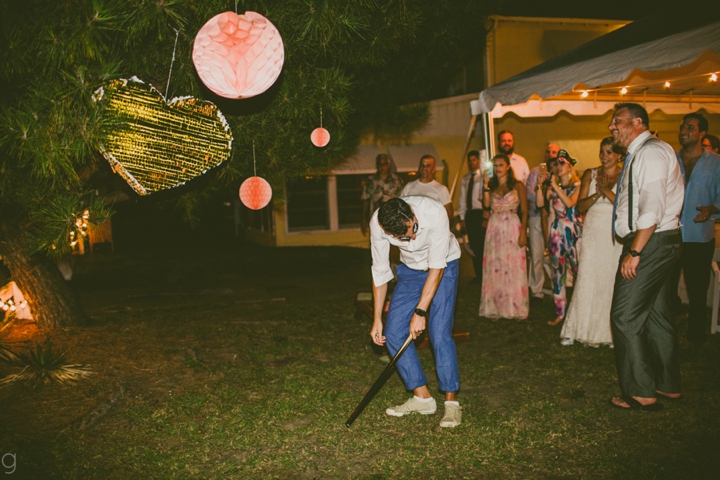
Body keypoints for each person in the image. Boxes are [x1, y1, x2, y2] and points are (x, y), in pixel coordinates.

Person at [607, 102, 684, 411]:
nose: (612, 127)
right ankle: (668, 385)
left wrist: (635, 251)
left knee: (624, 316)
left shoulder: (650, 152)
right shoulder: (648, 152)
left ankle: (640, 391)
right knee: (656, 315)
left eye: (618, 122)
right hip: (663, 241)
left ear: (637, 122)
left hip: (651, 242)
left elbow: (652, 206)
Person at [369, 196, 462, 428]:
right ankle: (423, 397)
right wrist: (377, 318)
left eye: (413, 231)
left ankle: (451, 403)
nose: (410, 239)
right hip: (410, 270)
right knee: (392, 332)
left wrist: (420, 312)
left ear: (411, 213)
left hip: (444, 265)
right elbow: (380, 271)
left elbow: (437, 266)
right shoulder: (378, 224)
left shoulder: (435, 212)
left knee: (439, 331)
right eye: (403, 238)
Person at [560, 138, 624, 347]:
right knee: (587, 276)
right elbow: (580, 207)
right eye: (602, 152)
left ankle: (609, 332)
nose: (604, 156)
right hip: (594, 230)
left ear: (618, 155)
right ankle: (576, 328)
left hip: (614, 233)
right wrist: (598, 192)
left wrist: (607, 191)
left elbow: (625, 205)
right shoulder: (590, 173)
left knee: (610, 278)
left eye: (609, 152)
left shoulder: (626, 174)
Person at [671, 113, 720, 345]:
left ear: (702, 134)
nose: (683, 131)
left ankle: (696, 338)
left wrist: (712, 208)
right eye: (682, 127)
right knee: (667, 287)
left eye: (689, 127)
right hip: (670, 234)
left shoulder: (715, 163)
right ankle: (665, 335)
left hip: (699, 236)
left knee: (697, 289)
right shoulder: (670, 159)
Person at [478, 154, 529, 320]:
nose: (498, 168)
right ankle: (496, 306)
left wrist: (523, 233)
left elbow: (526, 211)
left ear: (508, 166)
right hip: (495, 227)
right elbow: (486, 205)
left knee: (513, 265)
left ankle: (514, 306)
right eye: (495, 166)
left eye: (500, 165)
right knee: (495, 265)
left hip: (513, 225)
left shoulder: (518, 185)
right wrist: (485, 185)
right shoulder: (491, 186)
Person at [536, 149, 581, 327]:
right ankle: (560, 312)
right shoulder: (553, 187)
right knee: (558, 274)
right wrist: (541, 186)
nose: (559, 167)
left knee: (578, 271)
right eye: (556, 164)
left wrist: (554, 185)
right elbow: (540, 204)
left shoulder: (577, 185)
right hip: (557, 232)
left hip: (574, 232)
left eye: (562, 163)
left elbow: (570, 203)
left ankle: (580, 310)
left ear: (570, 166)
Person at [525, 143, 560, 300]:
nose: (551, 154)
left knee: (555, 255)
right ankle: (536, 288)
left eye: (554, 152)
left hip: (554, 217)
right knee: (536, 254)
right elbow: (529, 193)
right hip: (536, 217)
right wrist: (542, 195)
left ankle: (557, 288)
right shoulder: (535, 171)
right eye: (548, 152)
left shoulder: (560, 172)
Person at [458, 150, 486, 284]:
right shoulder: (466, 178)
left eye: (474, 159)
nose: (472, 162)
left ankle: (486, 274)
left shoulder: (483, 177)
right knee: (474, 245)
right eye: (470, 160)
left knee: (482, 244)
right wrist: (462, 217)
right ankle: (478, 274)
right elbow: (462, 198)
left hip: (481, 212)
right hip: (470, 214)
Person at [360, 154, 404, 235]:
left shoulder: (397, 180)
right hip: (375, 219)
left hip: (393, 220)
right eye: (380, 164)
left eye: (385, 164)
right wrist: (363, 220)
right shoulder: (370, 180)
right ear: (377, 165)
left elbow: (402, 200)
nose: (382, 167)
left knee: (392, 244)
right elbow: (365, 200)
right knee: (376, 244)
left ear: (388, 165)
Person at [401, 155, 453, 219]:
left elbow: (449, 214)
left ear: (433, 169)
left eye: (428, 165)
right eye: (422, 165)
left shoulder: (441, 189)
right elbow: (401, 207)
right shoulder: (409, 186)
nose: (424, 168)